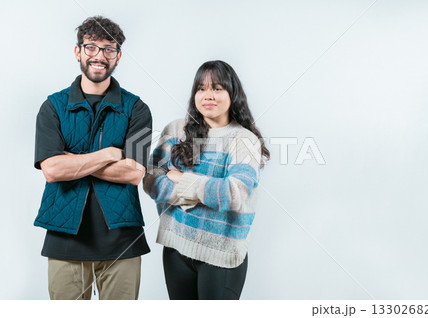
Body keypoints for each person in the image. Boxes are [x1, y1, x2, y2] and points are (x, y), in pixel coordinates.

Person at [34, 16, 152, 300]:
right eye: (91, 47)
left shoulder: (137, 109)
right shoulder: (52, 107)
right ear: (78, 51)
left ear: (118, 56)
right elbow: (51, 169)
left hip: (122, 241)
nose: (99, 56)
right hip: (65, 241)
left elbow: (134, 173)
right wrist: (109, 154)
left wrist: (72, 161)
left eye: (108, 49)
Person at [143, 60, 270, 300]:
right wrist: (203, 191)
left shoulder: (243, 140)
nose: (208, 95)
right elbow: (151, 179)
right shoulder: (177, 130)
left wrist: (181, 178)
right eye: (201, 89)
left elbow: (232, 194)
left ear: (233, 93)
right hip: (176, 248)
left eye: (217, 88)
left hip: (220, 256)